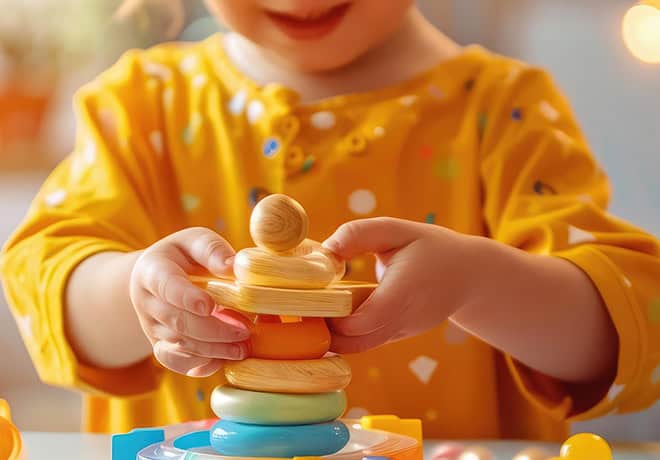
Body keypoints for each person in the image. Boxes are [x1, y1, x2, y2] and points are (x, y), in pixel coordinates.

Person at [2, 0, 659, 440]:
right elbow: (43, 289)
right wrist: (136, 297)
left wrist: (478, 284)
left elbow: (630, 329)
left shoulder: (505, 111)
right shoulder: (139, 105)